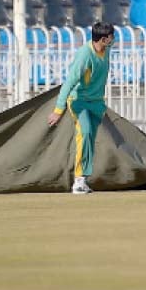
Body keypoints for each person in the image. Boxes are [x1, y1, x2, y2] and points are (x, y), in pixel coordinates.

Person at [47, 21, 115, 194]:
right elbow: (69, 83)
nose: (113, 39)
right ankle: (78, 181)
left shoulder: (106, 51)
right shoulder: (85, 55)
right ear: (103, 39)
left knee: (89, 139)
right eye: (111, 36)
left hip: (96, 103)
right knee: (84, 133)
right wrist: (58, 110)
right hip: (79, 101)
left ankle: (83, 180)